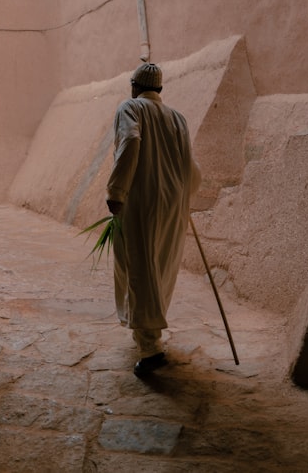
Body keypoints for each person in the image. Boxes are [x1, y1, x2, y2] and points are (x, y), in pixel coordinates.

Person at [106, 61, 201, 378]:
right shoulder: (177, 117)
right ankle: (149, 335)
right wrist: (186, 195)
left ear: (134, 86)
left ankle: (151, 349)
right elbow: (190, 165)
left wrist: (117, 191)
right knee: (159, 266)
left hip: (142, 200)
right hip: (173, 201)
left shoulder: (130, 108)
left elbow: (130, 141)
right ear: (159, 89)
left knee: (140, 267)